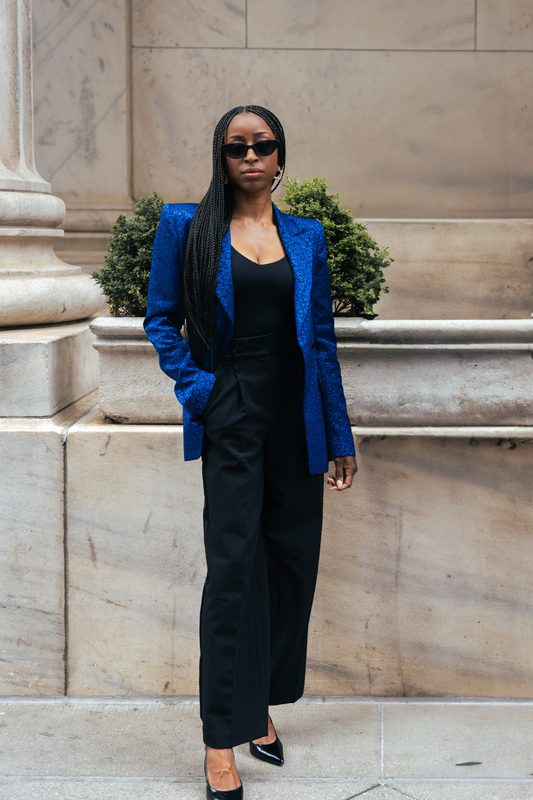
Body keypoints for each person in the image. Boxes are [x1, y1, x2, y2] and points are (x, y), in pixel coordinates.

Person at [144, 105, 357, 799]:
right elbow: (160, 319)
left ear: (279, 156)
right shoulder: (188, 226)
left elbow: (320, 340)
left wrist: (338, 434)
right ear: (221, 155)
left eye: (263, 145)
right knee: (234, 571)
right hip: (232, 415)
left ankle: (257, 704)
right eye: (237, 146)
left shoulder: (304, 234)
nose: (251, 156)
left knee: (289, 567)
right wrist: (202, 390)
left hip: (295, 421)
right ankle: (218, 742)